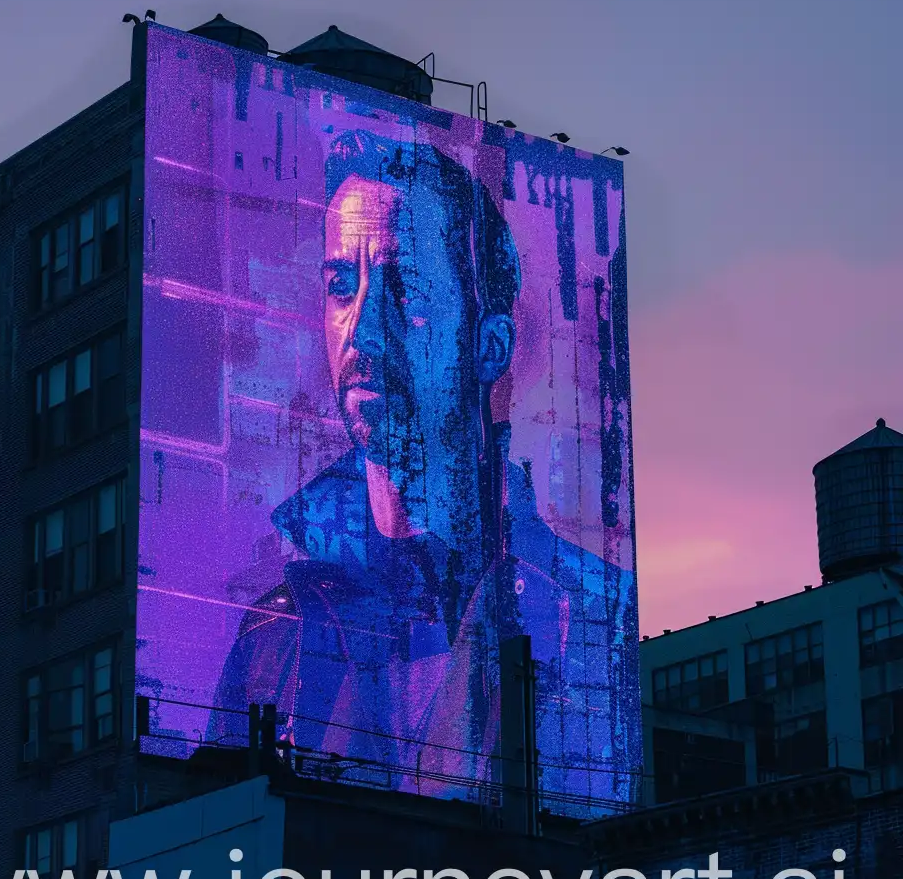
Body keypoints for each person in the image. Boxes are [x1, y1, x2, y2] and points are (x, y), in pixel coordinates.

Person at [209, 131, 636, 806]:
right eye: (341, 286)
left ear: (489, 345)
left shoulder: (594, 613)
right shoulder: (274, 632)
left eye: (405, 286)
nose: (362, 330)